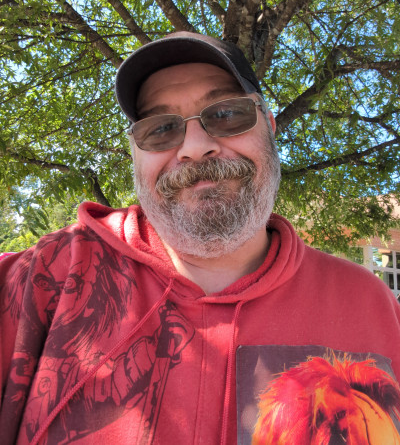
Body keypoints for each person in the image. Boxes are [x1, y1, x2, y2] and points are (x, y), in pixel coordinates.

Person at [1, 32, 399, 445]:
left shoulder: (372, 305)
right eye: (160, 128)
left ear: (269, 126)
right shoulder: (46, 277)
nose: (194, 147)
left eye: (226, 114)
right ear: (135, 153)